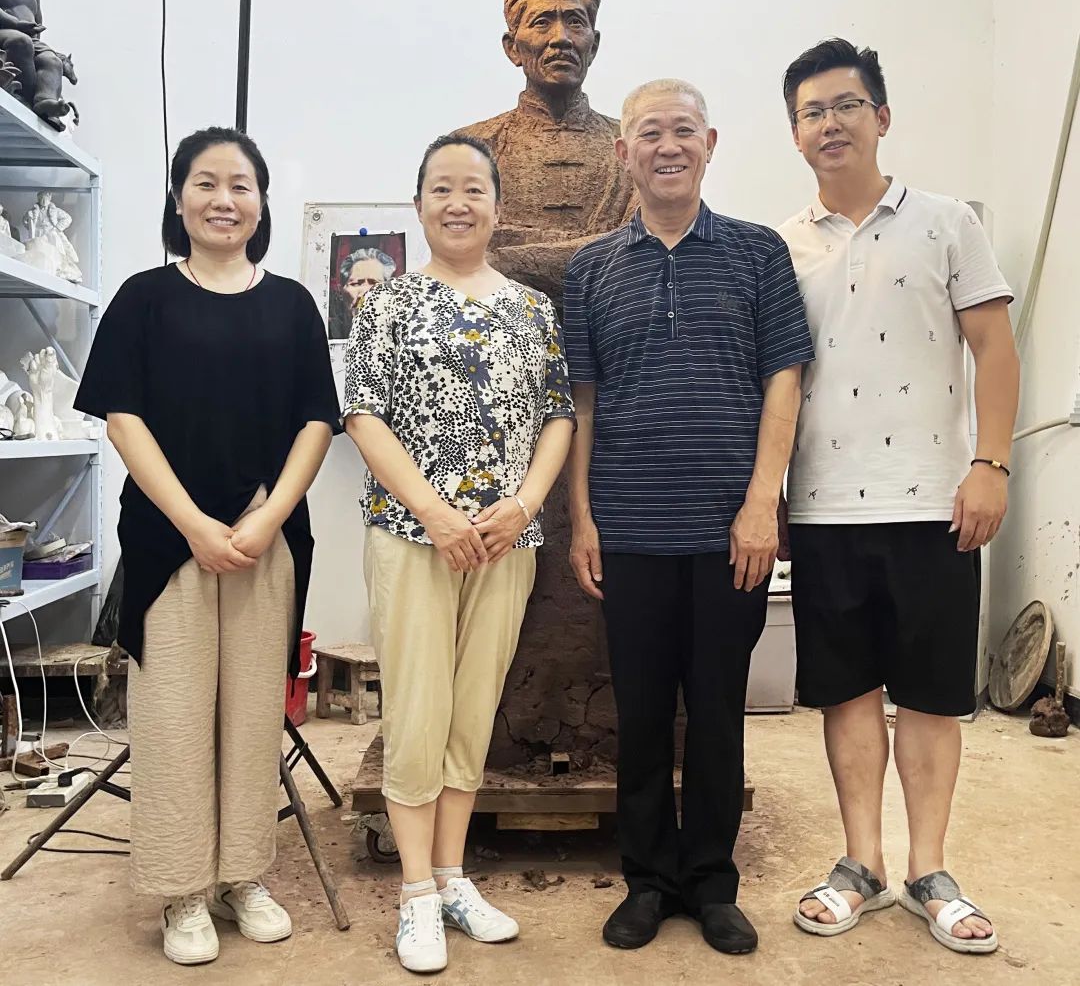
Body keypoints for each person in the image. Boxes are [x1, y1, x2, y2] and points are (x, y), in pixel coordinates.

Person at [74, 126, 339, 967]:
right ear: (179, 196)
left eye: (241, 185)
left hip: (267, 531)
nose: (224, 199)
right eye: (205, 182)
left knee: (254, 714)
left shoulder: (292, 304)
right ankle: (183, 888)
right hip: (169, 538)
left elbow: (317, 421)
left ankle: (242, 876)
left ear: (261, 203)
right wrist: (192, 522)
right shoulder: (144, 297)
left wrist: (268, 517)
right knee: (175, 716)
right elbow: (122, 419)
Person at [779, 39, 1019, 956]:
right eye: (812, 111)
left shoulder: (948, 222)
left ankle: (929, 869)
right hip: (825, 505)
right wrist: (774, 495)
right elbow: (781, 383)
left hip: (934, 502)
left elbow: (995, 348)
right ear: (795, 134)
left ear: (882, 116)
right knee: (845, 693)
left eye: (846, 105)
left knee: (929, 695)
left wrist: (991, 463)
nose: (830, 123)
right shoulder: (783, 245)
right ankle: (861, 864)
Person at [564, 79, 814, 955]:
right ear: (622, 153)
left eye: (682, 131)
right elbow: (582, 403)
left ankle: (711, 880)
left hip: (728, 533)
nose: (666, 146)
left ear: (710, 144)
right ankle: (647, 879)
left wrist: (761, 503)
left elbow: (785, 379)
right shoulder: (591, 269)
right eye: (648, 133)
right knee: (639, 713)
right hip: (629, 529)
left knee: (715, 712)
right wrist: (582, 517)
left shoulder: (758, 253)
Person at [343, 133, 575, 974]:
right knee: (416, 710)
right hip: (414, 538)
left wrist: (525, 503)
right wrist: (435, 512)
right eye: (441, 188)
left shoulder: (532, 310)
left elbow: (558, 415)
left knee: (473, 710)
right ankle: (413, 891)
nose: (458, 203)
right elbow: (363, 414)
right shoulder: (388, 304)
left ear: (497, 208)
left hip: (506, 541)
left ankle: (450, 877)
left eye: (474, 189)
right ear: (419, 205)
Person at [457, 0, 636, 303]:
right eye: (542, 22)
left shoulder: (632, 147)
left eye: (575, 22)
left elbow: (639, 254)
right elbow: (461, 257)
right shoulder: (471, 149)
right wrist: (603, 246)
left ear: (593, 46)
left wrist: (503, 254)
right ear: (513, 48)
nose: (561, 39)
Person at [328, 246, 397, 340]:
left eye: (375, 283)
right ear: (342, 290)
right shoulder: (330, 330)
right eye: (356, 284)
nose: (364, 293)